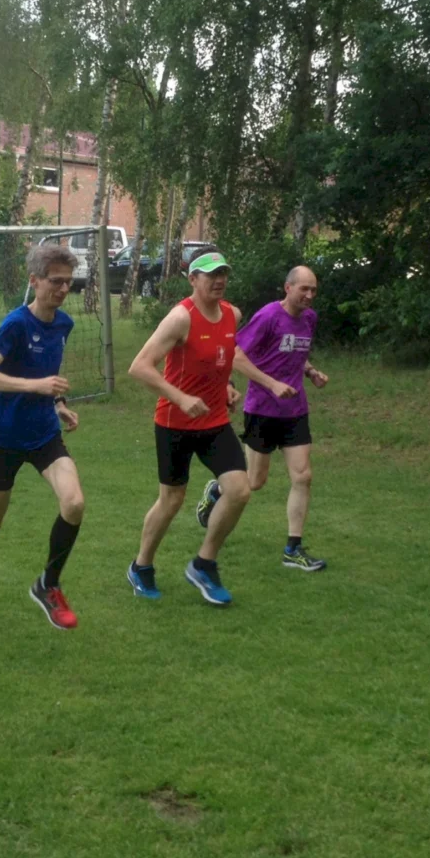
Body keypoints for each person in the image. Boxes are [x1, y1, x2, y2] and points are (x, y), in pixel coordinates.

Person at [126, 247, 297, 605]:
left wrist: (229, 387)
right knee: (171, 501)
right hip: (174, 423)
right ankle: (141, 566)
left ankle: (204, 564)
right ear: (193, 279)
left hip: (214, 421)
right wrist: (180, 398)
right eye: (210, 274)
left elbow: (221, 359)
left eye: (223, 274)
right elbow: (140, 366)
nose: (219, 280)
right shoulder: (180, 318)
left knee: (239, 490)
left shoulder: (232, 314)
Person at [0, 244, 86, 634]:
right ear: (34, 281)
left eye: (67, 282)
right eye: (54, 281)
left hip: (44, 435)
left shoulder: (63, 325)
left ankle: (49, 584)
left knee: (74, 503)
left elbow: (49, 371)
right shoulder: (15, 324)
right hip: (6, 440)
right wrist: (36, 386)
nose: (62, 289)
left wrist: (58, 401)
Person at [196, 265, 329, 572]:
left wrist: (310, 372)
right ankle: (216, 491)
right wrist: (271, 384)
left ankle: (293, 549)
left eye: (313, 290)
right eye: (304, 289)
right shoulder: (269, 316)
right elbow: (236, 353)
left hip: (295, 411)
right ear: (287, 288)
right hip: (262, 410)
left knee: (303, 476)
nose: (309, 296)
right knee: (254, 482)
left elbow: (296, 350)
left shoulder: (309, 318)